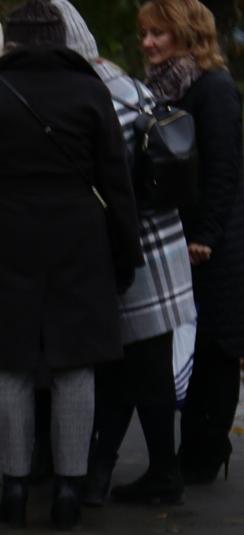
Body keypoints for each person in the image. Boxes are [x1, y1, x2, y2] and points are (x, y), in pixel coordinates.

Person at [0, 0, 142, 530]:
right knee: (74, 365)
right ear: (60, 38)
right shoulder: (89, 91)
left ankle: (13, 489)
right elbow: (116, 183)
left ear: (11, 41)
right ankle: (69, 493)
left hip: (7, 240)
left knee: (9, 365)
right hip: (80, 241)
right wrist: (127, 252)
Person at [52, 0, 198, 507]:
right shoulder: (123, 82)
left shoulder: (93, 94)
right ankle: (134, 469)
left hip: (133, 245)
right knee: (140, 361)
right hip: (159, 238)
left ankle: (154, 472)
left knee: (138, 365)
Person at [137, 0, 244, 487]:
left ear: (187, 34)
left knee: (216, 346)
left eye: (159, 33)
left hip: (215, 243)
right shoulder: (163, 89)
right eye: (146, 34)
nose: (149, 43)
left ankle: (204, 452)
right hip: (179, 236)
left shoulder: (213, 89)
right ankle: (194, 451)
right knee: (184, 346)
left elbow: (224, 168)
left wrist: (206, 235)